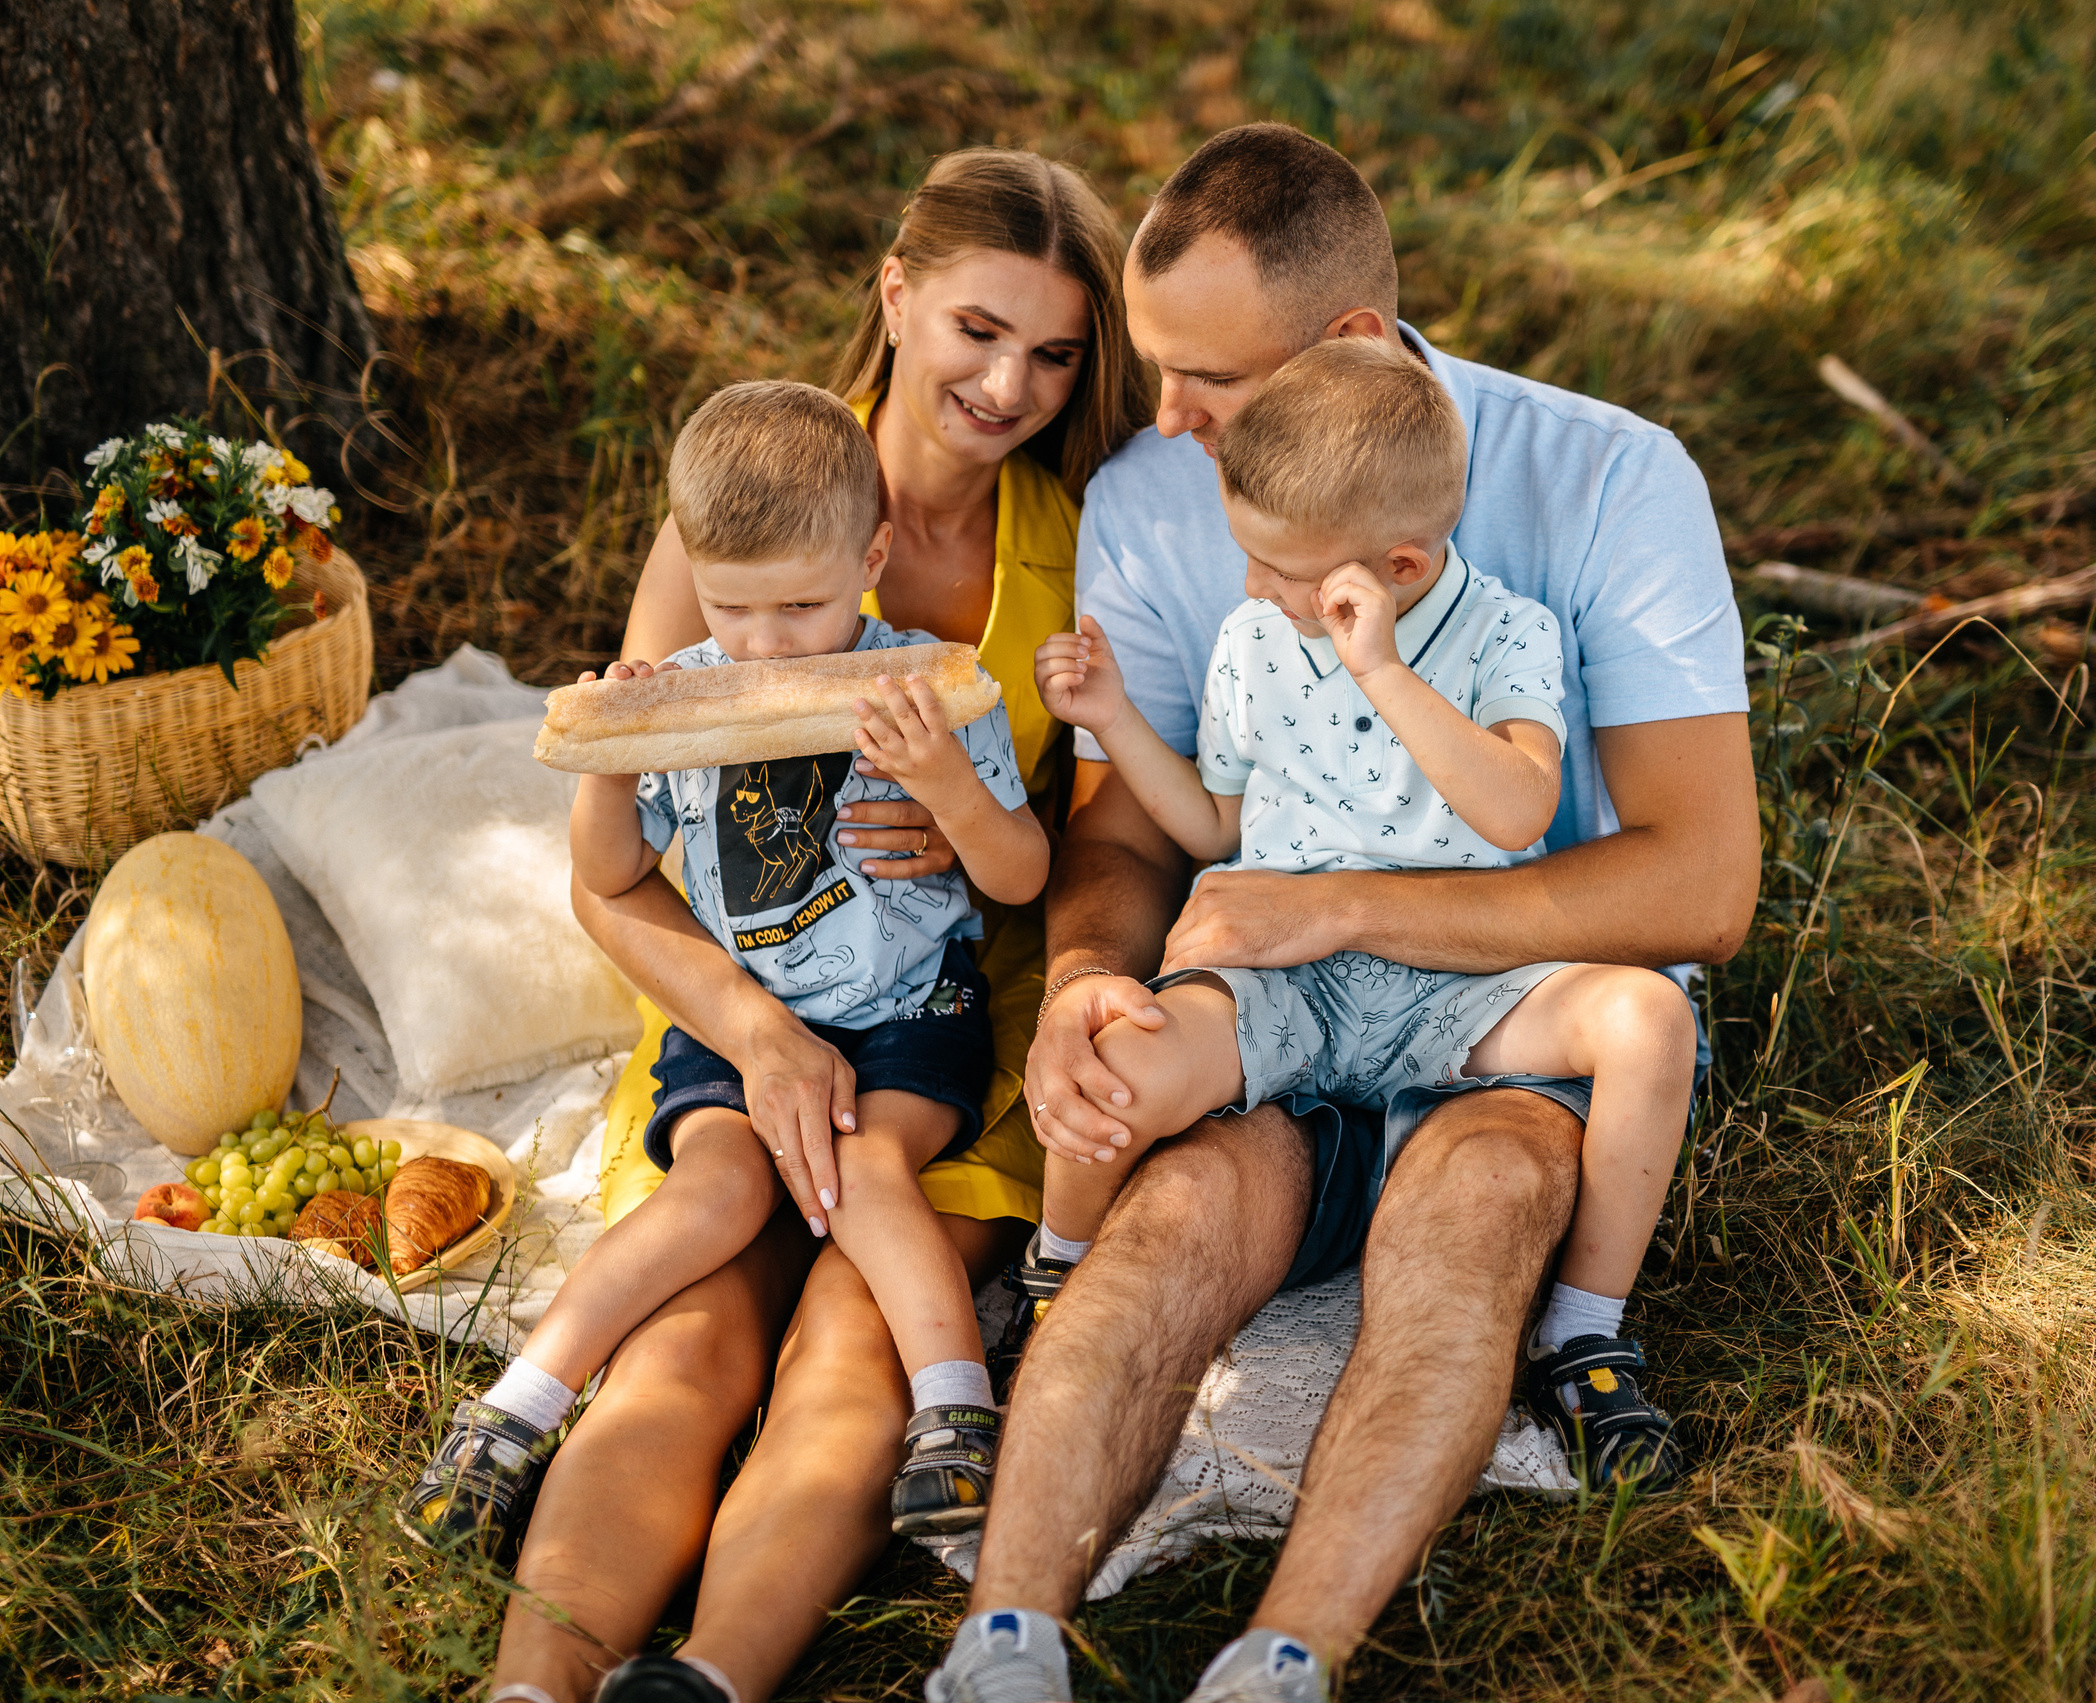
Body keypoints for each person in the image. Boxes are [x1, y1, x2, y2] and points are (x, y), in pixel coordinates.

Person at [925, 124, 1758, 1703]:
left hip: (1511, 1019)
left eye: (1210, 384)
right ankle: (1003, 1638)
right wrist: (1095, 982)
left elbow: (1700, 885)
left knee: (1468, 1219)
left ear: (1353, 344)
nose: (1163, 419)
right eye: (1156, 369)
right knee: (1170, 1226)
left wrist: (1339, 902)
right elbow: (1135, 809)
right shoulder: (1165, 495)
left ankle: (1282, 1659)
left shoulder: (1606, 476)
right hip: (1294, 1019)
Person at [473, 149, 1149, 1703]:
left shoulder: (1075, 541)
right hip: (740, 1005)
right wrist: (761, 1036)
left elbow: (1075, 840)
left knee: (848, 1340)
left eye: (1054, 352)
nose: (1009, 383)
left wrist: (983, 828)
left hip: (936, 1031)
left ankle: (707, 1678)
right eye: (979, 328)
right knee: (688, 1349)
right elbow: (615, 866)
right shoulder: (753, 494)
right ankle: (532, 1684)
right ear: (896, 294)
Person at [1028, 336, 1698, 1497]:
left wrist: (1382, 670)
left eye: (1281, 570)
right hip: (1292, 978)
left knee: (1648, 1018)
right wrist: (1119, 719)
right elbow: (1211, 828)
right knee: (1115, 1049)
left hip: (1467, 973)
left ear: (1392, 566)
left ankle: (1586, 1330)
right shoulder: (1254, 639)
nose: (1251, 590)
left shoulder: (1508, 634)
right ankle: (1055, 1269)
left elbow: (1513, 806)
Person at [403, 378, 1049, 1554]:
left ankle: (955, 1409)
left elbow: (1017, 873)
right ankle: (513, 1411)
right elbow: (608, 874)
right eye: (729, 606)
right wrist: (612, 758)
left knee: (864, 1170)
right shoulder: (685, 679)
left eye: (801, 606)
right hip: (739, 1014)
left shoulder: (932, 683)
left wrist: (948, 784)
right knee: (716, 1192)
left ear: (873, 553)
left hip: (912, 1005)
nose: (759, 644)